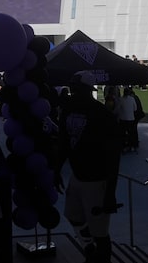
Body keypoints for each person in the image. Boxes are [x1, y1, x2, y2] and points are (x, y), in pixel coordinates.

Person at [56, 71, 121, 263]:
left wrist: (110, 191)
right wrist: (56, 169)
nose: (73, 92)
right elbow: (64, 142)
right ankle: (88, 247)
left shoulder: (102, 115)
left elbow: (113, 156)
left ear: (86, 90)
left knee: (100, 232)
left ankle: (100, 258)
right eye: (72, 88)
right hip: (77, 176)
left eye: (76, 88)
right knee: (72, 215)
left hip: (97, 180)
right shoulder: (67, 110)